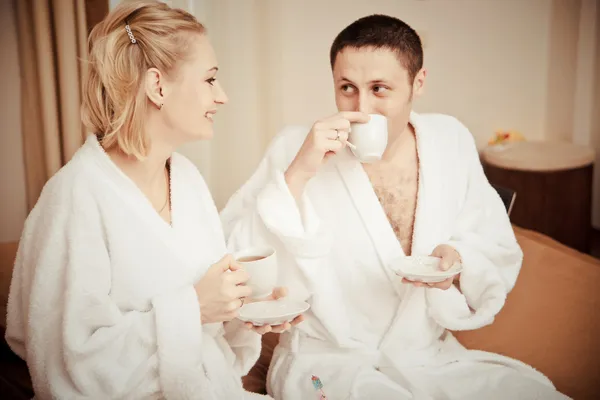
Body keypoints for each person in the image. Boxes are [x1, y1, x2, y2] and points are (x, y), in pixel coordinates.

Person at [220, 14, 570, 400]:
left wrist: (457, 261)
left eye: (379, 89)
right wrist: (300, 172)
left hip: (425, 358)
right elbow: (239, 258)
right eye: (347, 87)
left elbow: (493, 242)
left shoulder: (448, 140)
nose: (362, 107)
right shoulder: (296, 147)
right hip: (327, 364)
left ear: (418, 83)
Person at [5, 1, 301, 399]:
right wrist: (193, 307)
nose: (223, 96)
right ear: (158, 85)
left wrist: (245, 312)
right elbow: (62, 367)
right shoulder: (75, 197)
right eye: (210, 79)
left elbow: (208, 324)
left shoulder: (187, 181)